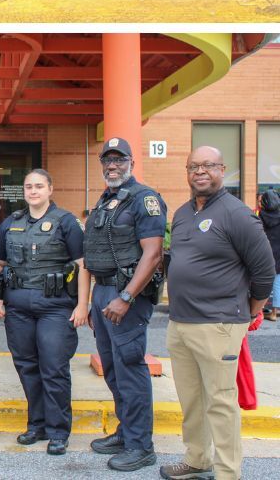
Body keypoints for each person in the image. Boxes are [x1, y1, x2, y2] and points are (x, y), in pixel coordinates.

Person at [163, 146, 274, 480]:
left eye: (208, 165)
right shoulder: (182, 213)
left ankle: (228, 472)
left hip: (219, 324)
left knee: (221, 403)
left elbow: (265, 271)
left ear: (222, 169)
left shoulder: (236, 213)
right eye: (193, 166)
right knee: (192, 400)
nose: (200, 171)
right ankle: (198, 459)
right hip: (180, 324)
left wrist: (247, 312)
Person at [82, 137, 166, 473]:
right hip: (104, 295)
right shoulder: (107, 200)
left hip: (126, 297)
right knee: (114, 369)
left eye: (119, 160)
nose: (112, 165)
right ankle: (126, 432)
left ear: (131, 161)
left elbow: (154, 254)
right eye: (107, 160)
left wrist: (126, 297)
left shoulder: (144, 199)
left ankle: (141, 446)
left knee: (130, 369)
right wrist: (92, 300)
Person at [0, 168, 88, 457]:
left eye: (38, 186)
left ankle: (59, 431)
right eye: (28, 187)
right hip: (18, 307)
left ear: (50, 190)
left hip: (55, 307)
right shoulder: (11, 222)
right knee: (26, 366)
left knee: (54, 367)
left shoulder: (66, 222)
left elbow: (83, 265)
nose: (33, 191)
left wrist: (83, 305)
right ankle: (37, 425)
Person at [259, 188, 280, 320]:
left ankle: (259, 310)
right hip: (279, 253)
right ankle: (274, 311)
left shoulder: (260, 216)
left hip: (264, 252)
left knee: (261, 281)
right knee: (277, 282)